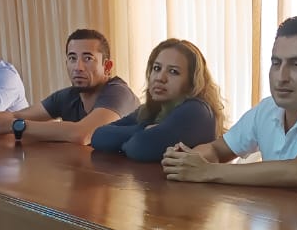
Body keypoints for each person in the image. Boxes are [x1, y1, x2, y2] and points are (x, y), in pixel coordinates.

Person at [160, 16, 297, 186]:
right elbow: (216, 149)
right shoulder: (268, 108)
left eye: (296, 65)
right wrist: (188, 161)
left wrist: (207, 171)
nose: (281, 77)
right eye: (276, 63)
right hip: (274, 215)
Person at [0, 29, 137, 143]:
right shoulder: (68, 96)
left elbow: (82, 134)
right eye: (72, 58)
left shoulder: (119, 93)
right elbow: (16, 115)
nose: (78, 67)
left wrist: (13, 126)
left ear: (107, 67)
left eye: (87, 58)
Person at [90, 38, 226, 162]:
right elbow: (98, 136)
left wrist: (126, 142)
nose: (160, 78)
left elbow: (139, 147)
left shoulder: (197, 110)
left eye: (173, 71)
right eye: (157, 68)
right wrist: (144, 129)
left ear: (192, 82)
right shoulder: (152, 109)